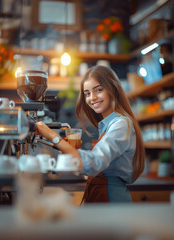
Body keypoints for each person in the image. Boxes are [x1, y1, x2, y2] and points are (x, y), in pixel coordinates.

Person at [35, 65, 145, 203]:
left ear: (112, 90)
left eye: (98, 90)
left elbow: (95, 163)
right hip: (101, 193)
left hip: (112, 198)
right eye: (87, 93)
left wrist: (53, 136)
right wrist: (72, 150)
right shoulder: (107, 124)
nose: (92, 98)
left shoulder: (121, 124)